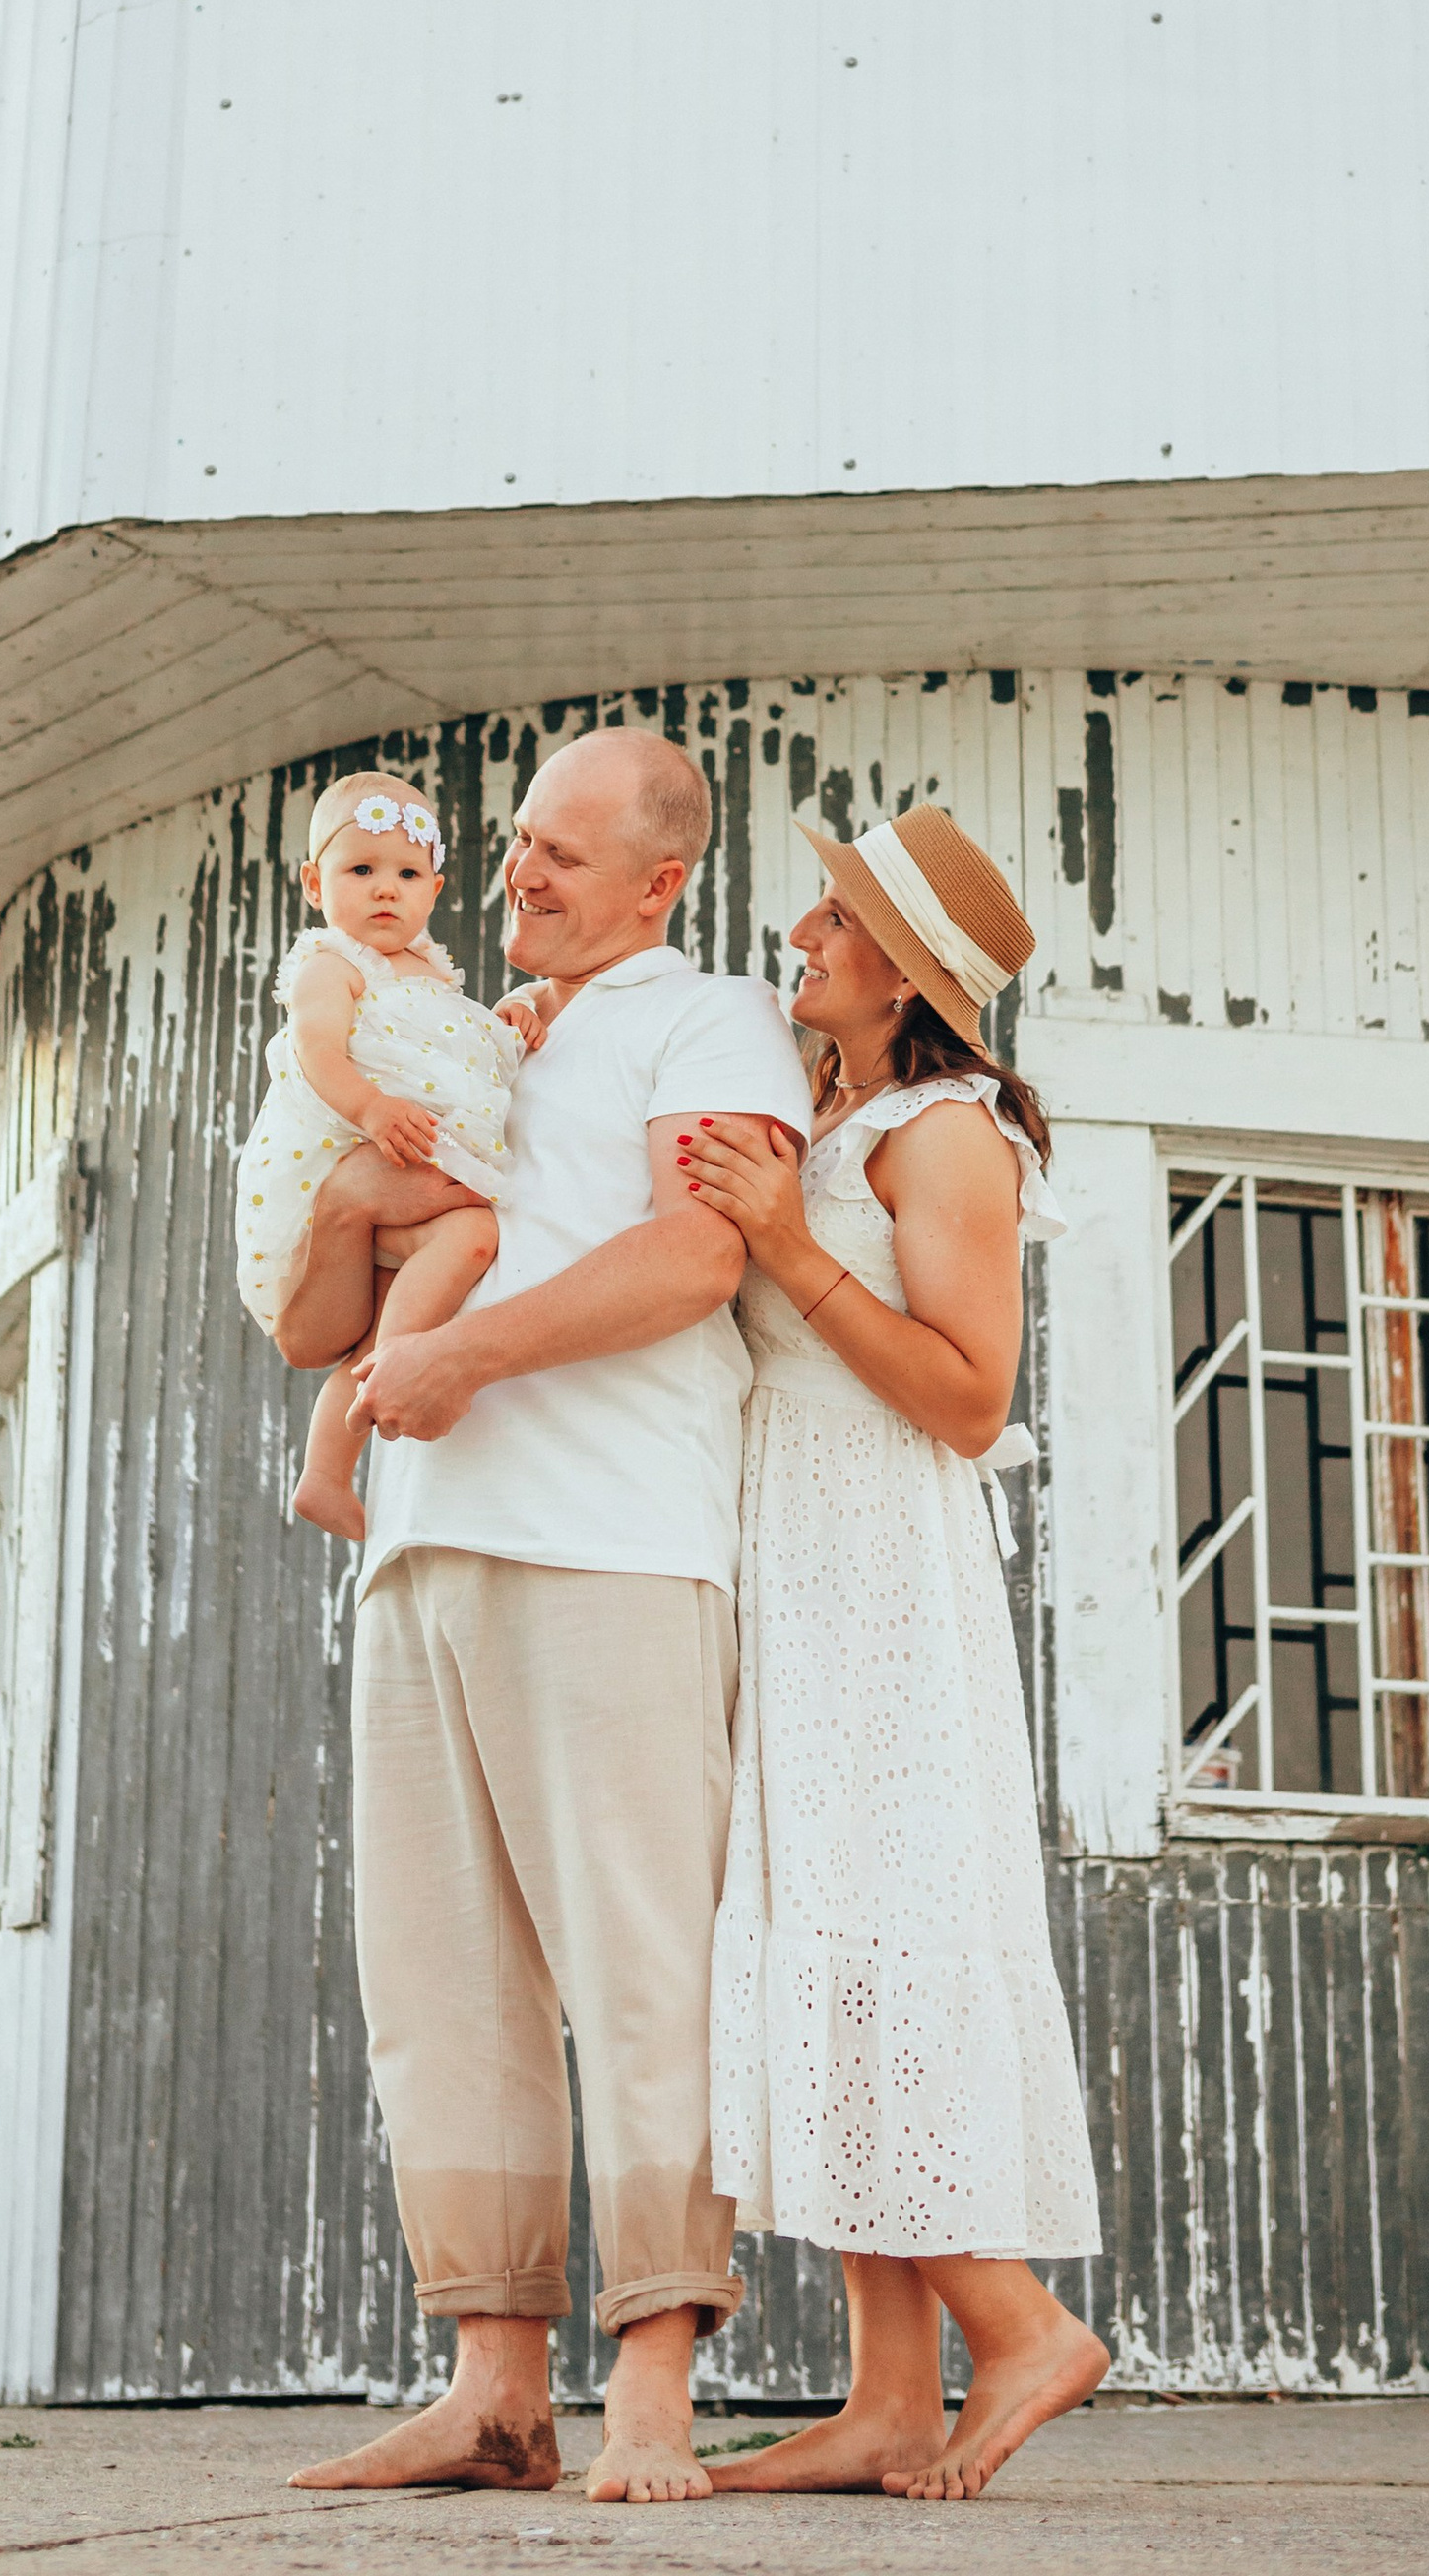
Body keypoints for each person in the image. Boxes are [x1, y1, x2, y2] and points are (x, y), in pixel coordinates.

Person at [261, 725, 813, 2506]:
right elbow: (317, 1325)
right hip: (421, 1538)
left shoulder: (705, 1013)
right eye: (515, 852)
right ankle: (494, 2383)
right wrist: (345, 1218)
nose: (519, 876)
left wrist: (460, 1353)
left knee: (640, 1960)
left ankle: (654, 2377)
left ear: (660, 877)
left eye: (564, 853)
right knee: (445, 1985)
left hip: (614, 1540)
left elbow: (693, 1254)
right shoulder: (449, 1028)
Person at [678, 802, 1108, 2502]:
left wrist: (787, 1246)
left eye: (836, 915)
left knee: (885, 1920)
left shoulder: (943, 1131)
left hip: (880, 1567)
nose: (801, 925)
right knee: (829, 1937)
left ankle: (1021, 2329)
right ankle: (881, 2401)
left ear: (902, 970)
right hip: (793, 1550)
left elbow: (970, 1395)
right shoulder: (834, 1107)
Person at [234, 771, 530, 1539]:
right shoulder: (331, 964)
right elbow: (318, 1050)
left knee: (458, 1248)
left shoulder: (436, 972)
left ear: (435, 887)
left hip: (401, 1168)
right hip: (331, 1163)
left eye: (405, 874)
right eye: (359, 870)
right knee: (473, 1230)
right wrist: (368, 1107)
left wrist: (514, 1018)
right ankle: (356, 1427)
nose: (383, 891)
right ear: (313, 882)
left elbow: (458, 1052)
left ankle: (329, 1469)